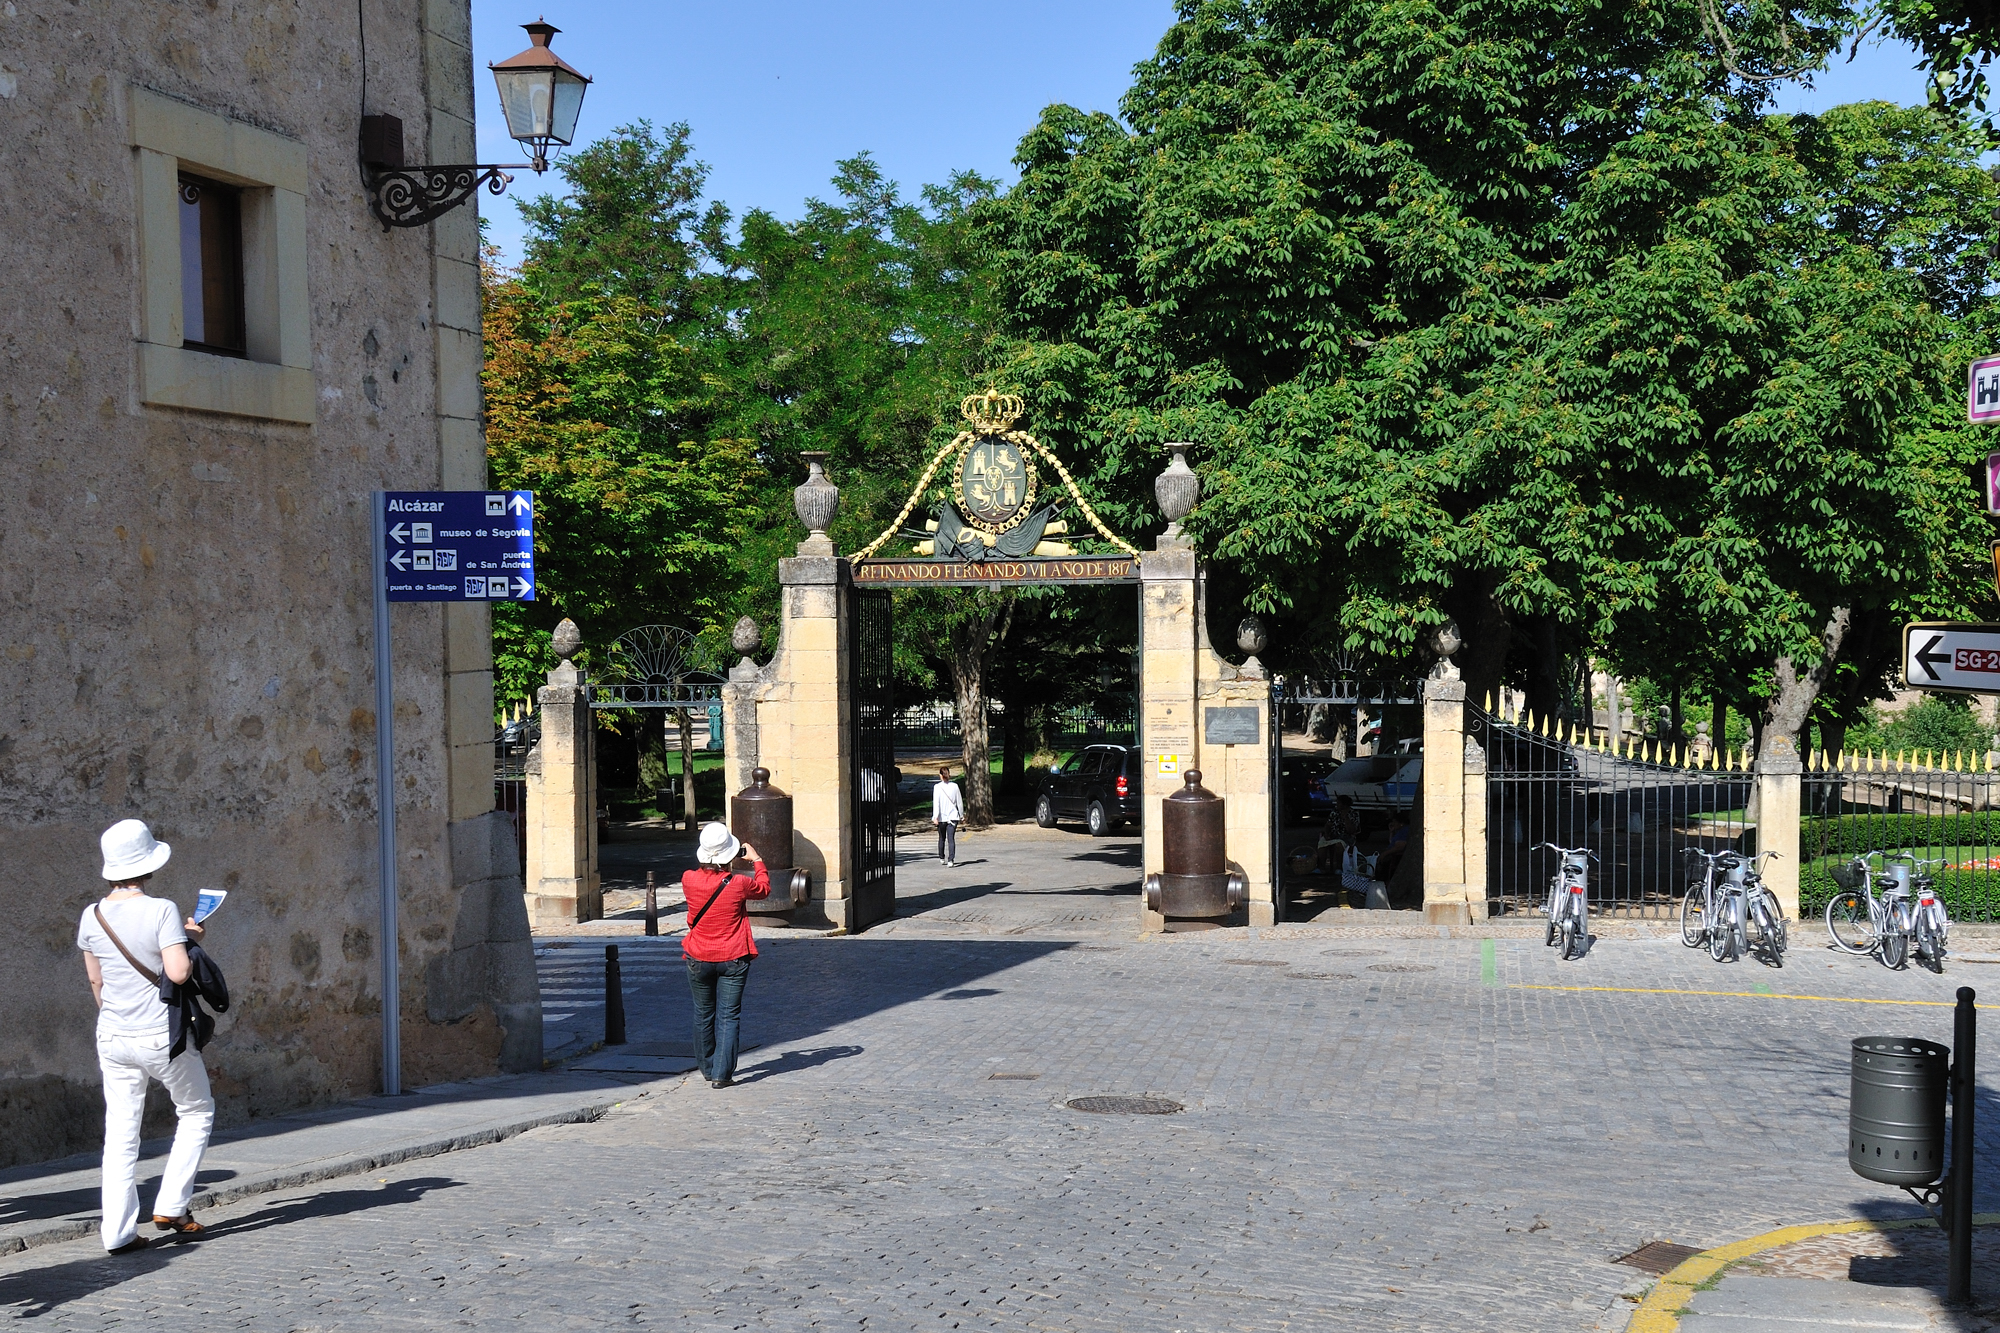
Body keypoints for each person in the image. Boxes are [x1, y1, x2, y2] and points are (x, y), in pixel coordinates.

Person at [77, 819, 214, 1254]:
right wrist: (189, 939)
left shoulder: (91, 915)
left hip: (112, 1034)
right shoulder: (161, 909)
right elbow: (178, 972)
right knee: (196, 1110)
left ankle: (117, 1232)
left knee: (120, 1133)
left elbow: (96, 981)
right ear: (148, 865)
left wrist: (115, 1018)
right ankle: (171, 1205)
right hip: (160, 1033)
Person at [680, 822, 770, 1088]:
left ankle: (707, 1068)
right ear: (729, 854)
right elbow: (764, 888)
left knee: (702, 1013)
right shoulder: (739, 883)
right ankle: (722, 1074)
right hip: (733, 956)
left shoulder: (688, 879)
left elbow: (706, 879)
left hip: (698, 956)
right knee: (729, 1016)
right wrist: (757, 860)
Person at [931, 766, 963, 866]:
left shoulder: (937, 787)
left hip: (942, 817)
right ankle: (951, 859)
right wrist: (961, 815)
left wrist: (935, 817)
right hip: (953, 816)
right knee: (951, 839)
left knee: (942, 838)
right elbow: (959, 802)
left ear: (940, 775)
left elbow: (936, 803)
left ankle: (941, 857)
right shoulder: (955, 786)